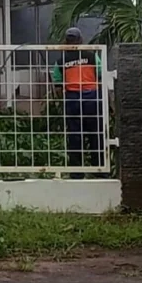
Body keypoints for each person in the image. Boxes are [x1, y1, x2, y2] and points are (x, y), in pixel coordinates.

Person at [51, 27, 102, 177]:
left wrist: (64, 101)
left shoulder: (61, 61)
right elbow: (99, 75)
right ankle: (99, 170)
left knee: (74, 136)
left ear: (66, 42)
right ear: (80, 40)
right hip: (92, 98)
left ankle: (77, 174)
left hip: (73, 99)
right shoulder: (92, 56)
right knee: (95, 134)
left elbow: (58, 85)